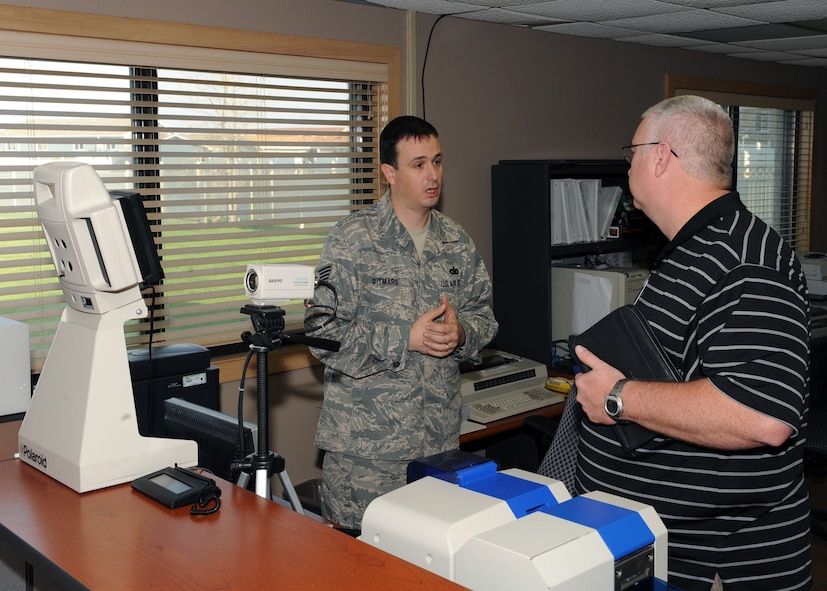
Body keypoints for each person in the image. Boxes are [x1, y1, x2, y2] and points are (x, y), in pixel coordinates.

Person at [572, 96, 811, 590]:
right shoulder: (693, 248)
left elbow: (762, 417)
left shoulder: (744, 258)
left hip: (717, 562)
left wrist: (619, 398)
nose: (628, 163)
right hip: (666, 544)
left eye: (632, 151)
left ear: (660, 156)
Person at [305, 115, 498, 531]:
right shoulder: (353, 239)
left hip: (438, 445)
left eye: (438, 161)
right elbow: (322, 335)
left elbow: (485, 316)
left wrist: (462, 333)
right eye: (419, 164)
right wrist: (404, 338)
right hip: (366, 455)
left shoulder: (456, 242)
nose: (433, 175)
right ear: (389, 173)